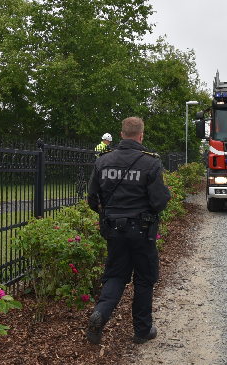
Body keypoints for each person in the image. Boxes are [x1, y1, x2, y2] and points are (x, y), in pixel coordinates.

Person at [86, 117, 171, 344]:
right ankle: (142, 331)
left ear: (122, 134)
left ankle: (101, 314)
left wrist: (109, 215)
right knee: (144, 279)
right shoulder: (151, 163)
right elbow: (159, 202)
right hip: (142, 231)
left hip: (114, 230)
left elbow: (92, 199)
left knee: (115, 275)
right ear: (141, 136)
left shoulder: (103, 161)